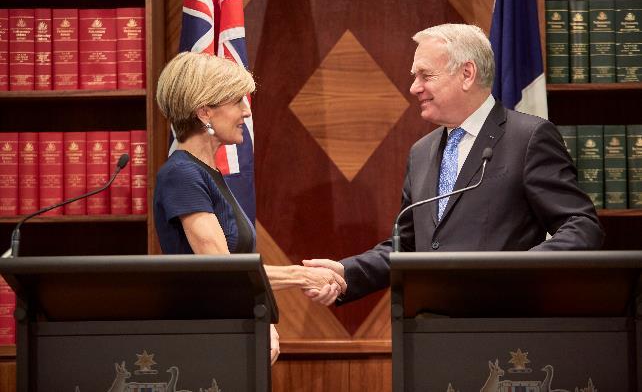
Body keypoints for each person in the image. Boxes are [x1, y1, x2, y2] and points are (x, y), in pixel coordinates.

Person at [304, 23, 604, 305]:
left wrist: (519, 271)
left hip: (504, 325)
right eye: (414, 76)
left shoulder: (527, 138)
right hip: (429, 329)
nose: (414, 88)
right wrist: (345, 273)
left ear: (467, 73)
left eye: (425, 75)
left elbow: (581, 226)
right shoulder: (421, 152)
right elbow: (407, 245)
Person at [153, 52, 347, 364]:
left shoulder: (207, 174)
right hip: (206, 345)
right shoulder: (182, 174)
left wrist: (264, 318)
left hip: (230, 336)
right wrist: (301, 276)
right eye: (236, 101)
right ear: (204, 111)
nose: (246, 112)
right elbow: (223, 272)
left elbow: (237, 271)